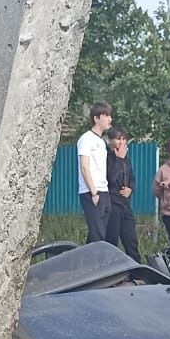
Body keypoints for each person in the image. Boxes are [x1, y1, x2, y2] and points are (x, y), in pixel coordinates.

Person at [77, 102, 113, 243]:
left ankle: (85, 262)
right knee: (97, 233)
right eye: (106, 115)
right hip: (91, 191)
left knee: (99, 234)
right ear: (96, 118)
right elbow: (84, 167)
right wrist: (93, 192)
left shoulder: (101, 142)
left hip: (103, 190)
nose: (110, 119)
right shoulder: (86, 139)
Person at [102, 126, 139, 260]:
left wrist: (130, 189)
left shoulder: (126, 158)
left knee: (131, 239)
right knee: (112, 240)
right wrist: (119, 160)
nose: (121, 142)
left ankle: (137, 271)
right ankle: (110, 272)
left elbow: (132, 178)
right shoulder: (107, 157)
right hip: (112, 203)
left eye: (124, 139)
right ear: (110, 141)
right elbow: (110, 178)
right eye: (118, 139)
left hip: (125, 204)